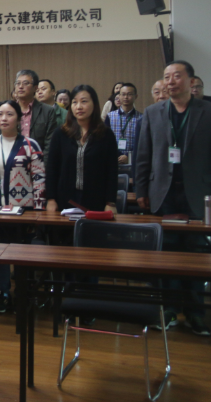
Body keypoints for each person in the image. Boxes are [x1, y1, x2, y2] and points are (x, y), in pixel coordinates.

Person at [135, 60, 211, 336]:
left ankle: (195, 312)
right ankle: (167, 309)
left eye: (176, 76)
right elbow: (143, 154)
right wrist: (141, 191)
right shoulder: (153, 112)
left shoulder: (207, 111)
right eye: (166, 77)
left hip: (197, 194)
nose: (170, 81)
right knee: (164, 254)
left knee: (196, 254)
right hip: (162, 193)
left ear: (190, 81)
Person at [0, 100, 45, 312]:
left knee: (22, 252)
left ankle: (24, 291)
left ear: (19, 119)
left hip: (23, 211)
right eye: (0, 114)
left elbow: (39, 180)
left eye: (9, 114)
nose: (3, 118)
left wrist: (39, 211)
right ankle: (3, 292)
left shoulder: (31, 145)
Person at [46, 85, 118, 213]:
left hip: (96, 200)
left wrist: (110, 202)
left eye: (84, 101)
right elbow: (52, 168)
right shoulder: (61, 133)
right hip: (65, 199)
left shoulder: (106, 135)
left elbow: (112, 171)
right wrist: (51, 199)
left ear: (94, 104)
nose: (78, 107)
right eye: (74, 102)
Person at [11, 69, 58, 160]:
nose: (20, 87)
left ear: (35, 88)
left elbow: (50, 143)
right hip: (12, 161)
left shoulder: (47, 111)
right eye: (18, 83)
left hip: (38, 161)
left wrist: (42, 164)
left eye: (25, 83)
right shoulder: (8, 110)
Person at [107, 83, 142, 171]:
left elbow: (142, 142)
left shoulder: (142, 118)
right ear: (119, 96)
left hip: (134, 163)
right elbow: (105, 140)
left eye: (129, 94)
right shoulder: (110, 116)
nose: (126, 97)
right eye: (123, 94)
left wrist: (128, 156)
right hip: (113, 161)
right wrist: (118, 155)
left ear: (136, 96)